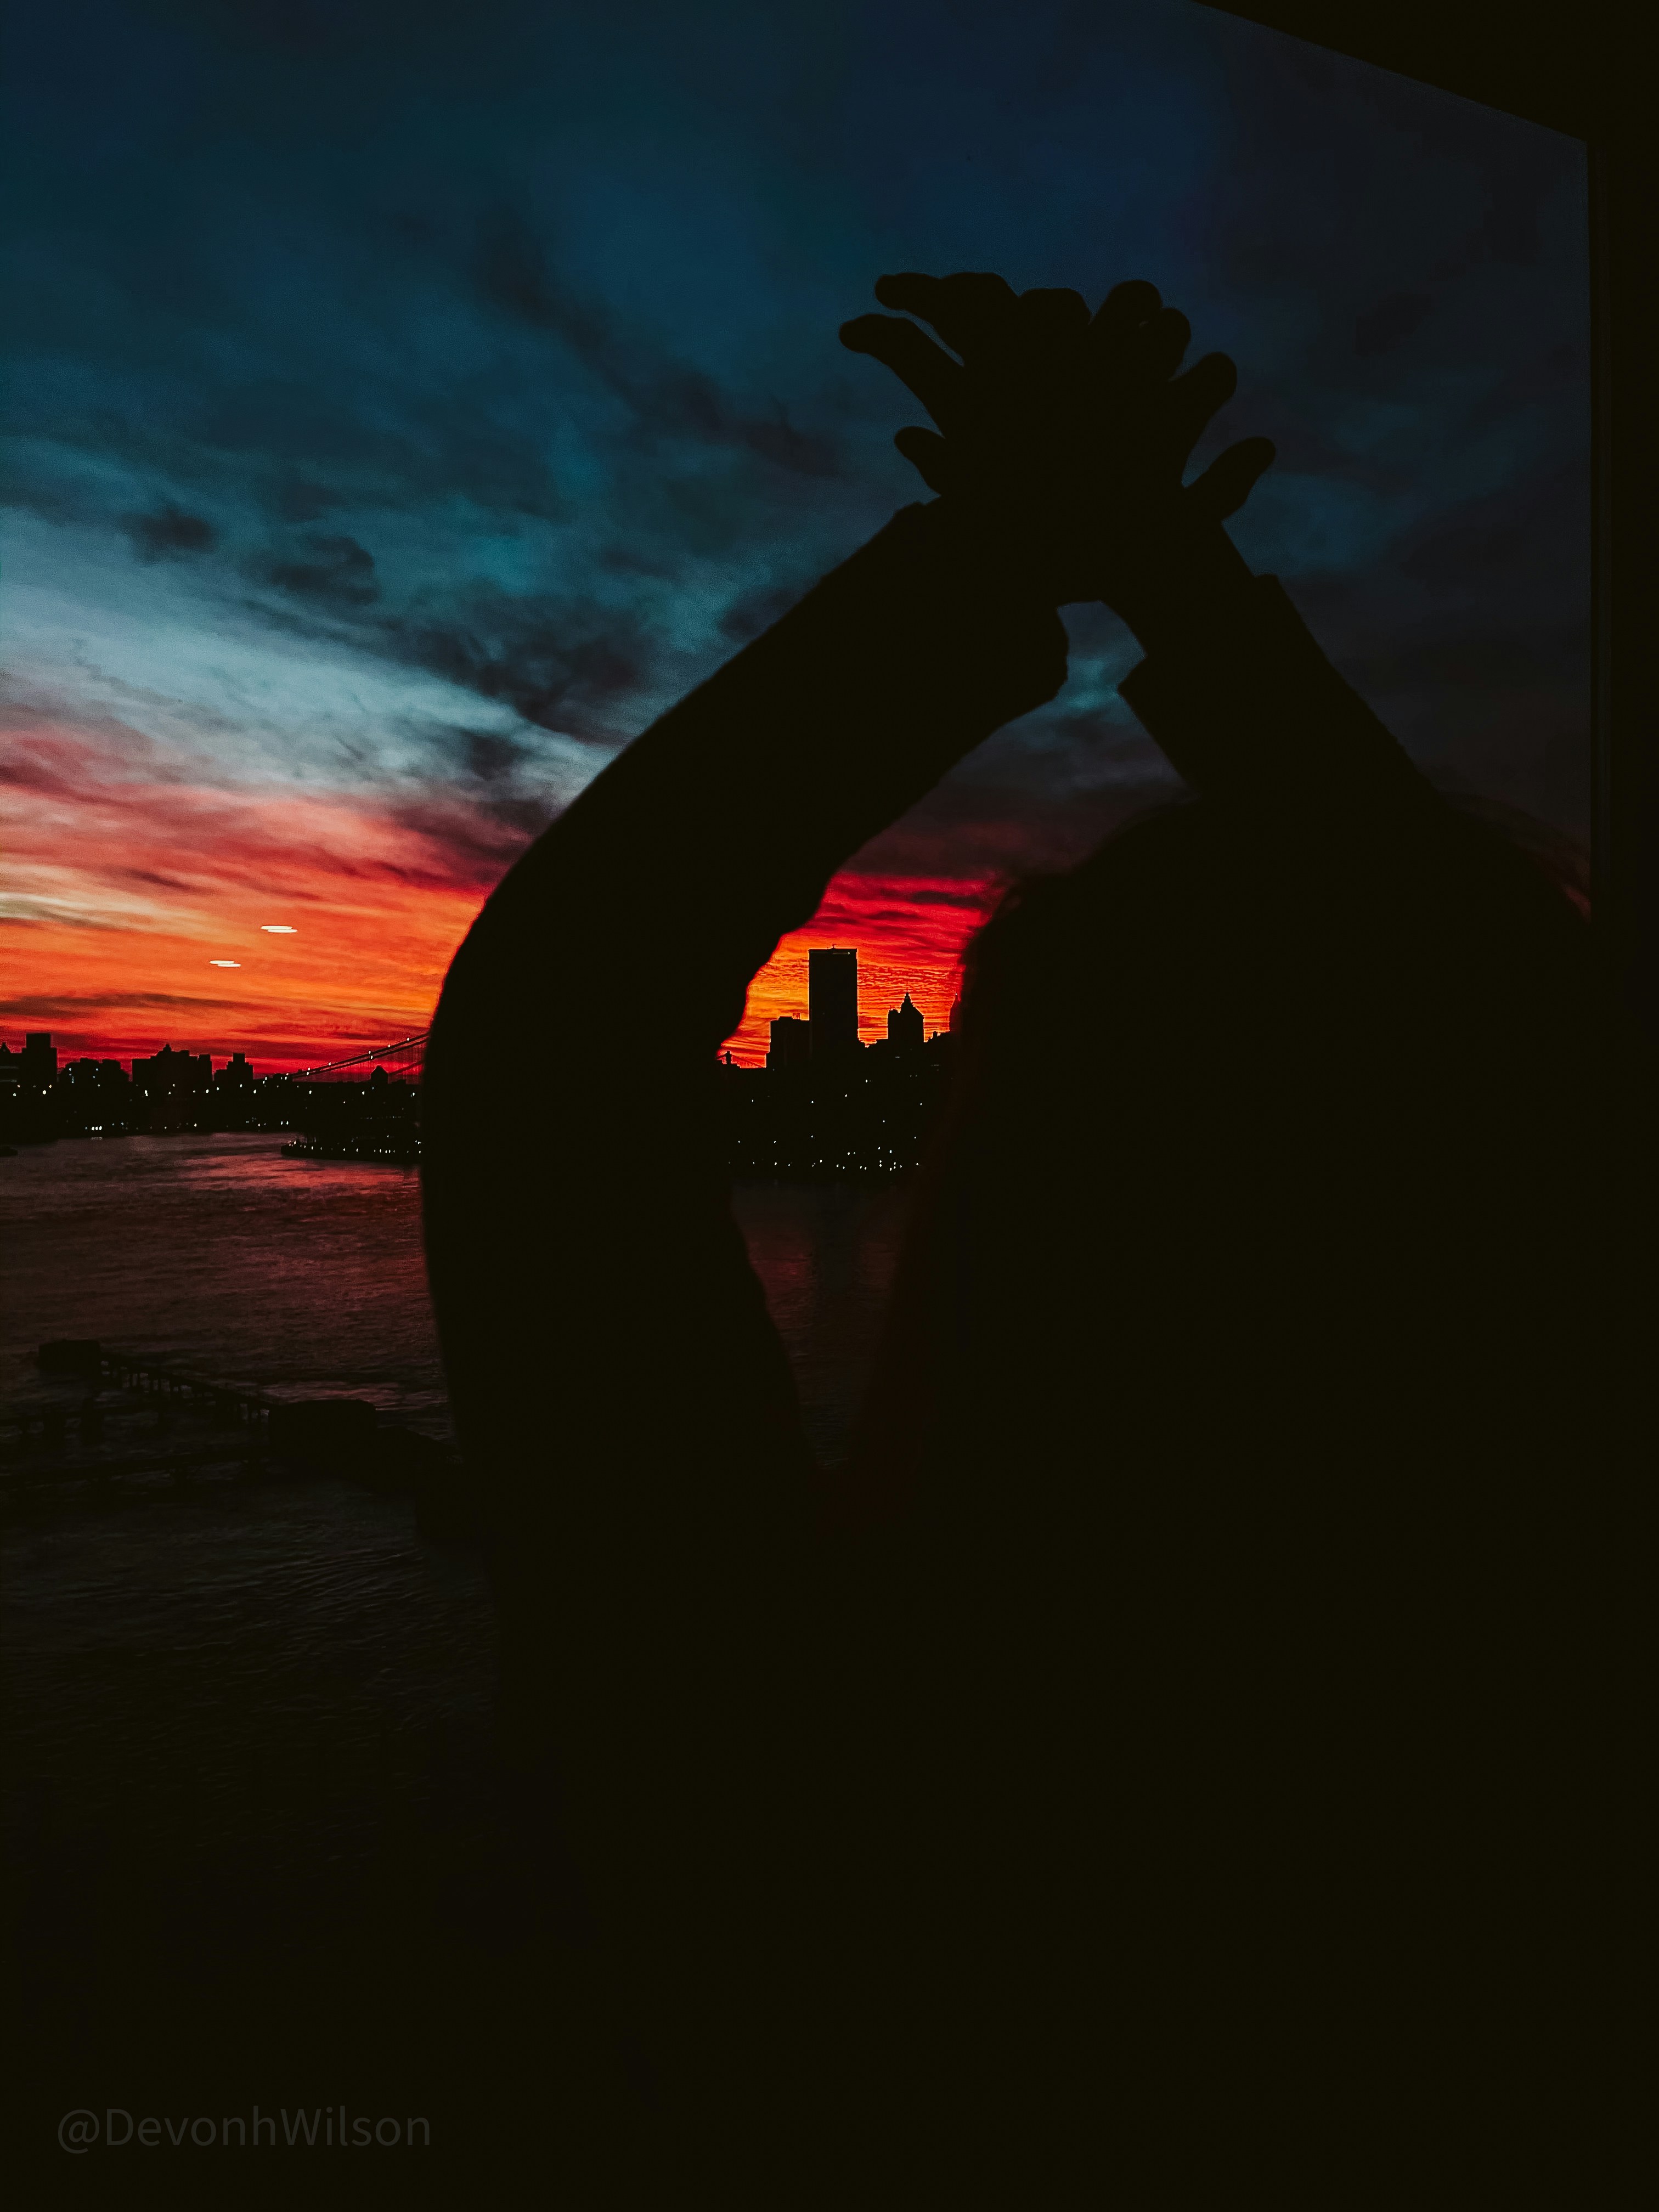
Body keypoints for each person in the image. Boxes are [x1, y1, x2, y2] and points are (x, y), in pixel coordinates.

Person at [421, 274, 1652, 2201]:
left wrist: (993, 558)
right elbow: (1492, 1042)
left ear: (1006, 1220)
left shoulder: (801, 1802)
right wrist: (1179, 584)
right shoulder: (1560, 1749)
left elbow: (553, 1036)